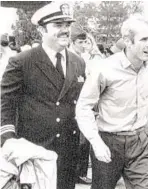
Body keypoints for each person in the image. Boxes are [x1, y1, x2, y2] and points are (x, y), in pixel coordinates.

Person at [0, 3, 86, 189]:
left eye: (67, 25)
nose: (65, 31)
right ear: (41, 30)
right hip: (35, 149)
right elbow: (6, 103)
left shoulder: (78, 62)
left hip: (68, 149)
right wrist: (8, 138)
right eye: (58, 25)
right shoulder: (22, 61)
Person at [75, 14, 148, 189]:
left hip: (140, 143)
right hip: (109, 142)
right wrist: (96, 142)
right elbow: (83, 107)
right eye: (144, 39)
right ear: (128, 41)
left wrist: (147, 124)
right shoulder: (105, 69)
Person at [68, 26, 92, 185]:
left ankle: (80, 172)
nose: (84, 45)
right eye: (80, 42)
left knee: (84, 143)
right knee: (77, 143)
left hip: (82, 108)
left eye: (85, 42)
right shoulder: (68, 59)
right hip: (70, 109)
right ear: (72, 42)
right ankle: (76, 173)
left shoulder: (82, 60)